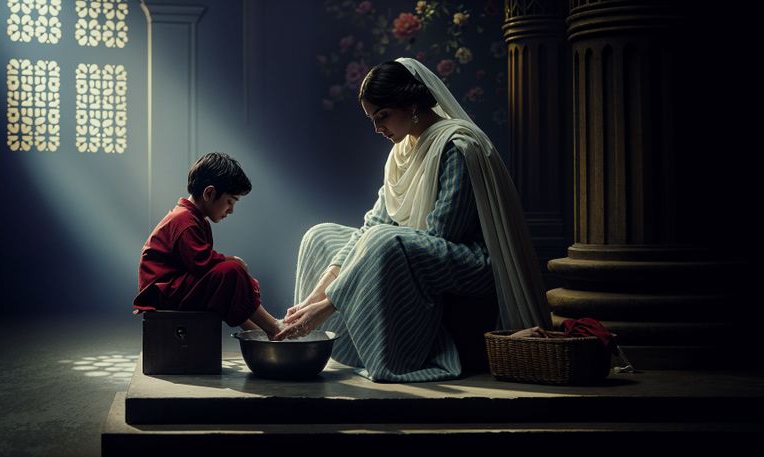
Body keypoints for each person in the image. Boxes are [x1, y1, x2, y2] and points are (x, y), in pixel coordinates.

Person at [274, 58, 552, 382]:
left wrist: (329, 304)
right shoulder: (401, 152)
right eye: (372, 119)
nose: (378, 128)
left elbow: (441, 233)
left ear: (411, 104)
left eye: (383, 116)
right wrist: (311, 299)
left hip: (470, 260)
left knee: (380, 240)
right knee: (321, 235)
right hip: (412, 247)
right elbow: (372, 224)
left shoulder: (457, 146)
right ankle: (305, 329)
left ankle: (336, 326)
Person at [133, 152, 283, 339]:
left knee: (229, 279)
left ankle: (258, 333)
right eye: (230, 201)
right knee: (231, 272)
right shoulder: (184, 220)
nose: (231, 210)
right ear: (209, 193)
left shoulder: (194, 218)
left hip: (177, 289)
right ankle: (274, 328)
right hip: (166, 295)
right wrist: (232, 262)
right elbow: (200, 263)